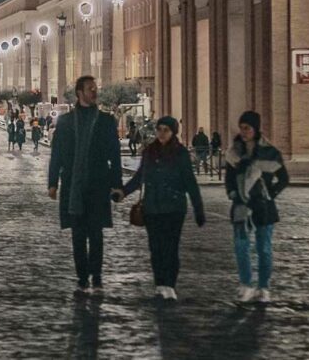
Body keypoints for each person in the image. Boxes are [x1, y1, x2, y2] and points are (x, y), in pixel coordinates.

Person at [47, 75, 123, 295]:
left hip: (98, 185)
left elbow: (114, 156)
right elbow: (57, 154)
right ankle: (82, 279)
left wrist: (117, 184)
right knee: (78, 236)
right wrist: (52, 183)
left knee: (96, 235)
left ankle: (97, 278)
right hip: (73, 186)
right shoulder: (66, 121)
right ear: (80, 93)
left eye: (95, 88)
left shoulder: (106, 121)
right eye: (90, 89)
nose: (94, 92)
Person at [122, 116, 205, 301]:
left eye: (165, 130)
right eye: (159, 129)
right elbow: (139, 178)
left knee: (171, 247)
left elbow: (190, 182)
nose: (161, 133)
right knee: (155, 248)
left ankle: (169, 284)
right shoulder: (149, 152)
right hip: (152, 207)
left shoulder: (181, 153)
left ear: (173, 132)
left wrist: (198, 209)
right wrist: (123, 192)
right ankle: (160, 284)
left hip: (174, 208)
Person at [225, 111, 289, 304]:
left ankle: (263, 288)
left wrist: (270, 194)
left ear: (255, 129)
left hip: (263, 206)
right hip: (241, 205)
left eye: (247, 128)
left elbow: (284, 178)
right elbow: (228, 179)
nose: (244, 132)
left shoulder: (270, 152)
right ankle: (245, 285)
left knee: (264, 248)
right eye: (241, 127)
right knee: (241, 247)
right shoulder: (233, 152)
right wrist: (233, 194)